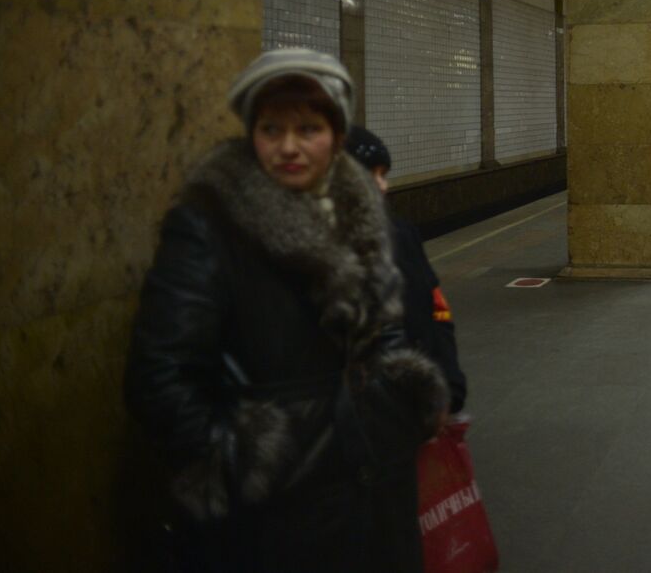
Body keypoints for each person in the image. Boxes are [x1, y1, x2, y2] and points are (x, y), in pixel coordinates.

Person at [125, 48, 449, 572]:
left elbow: (382, 330)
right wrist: (240, 464)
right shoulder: (211, 229)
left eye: (308, 128)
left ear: (337, 136)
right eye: (271, 130)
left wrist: (405, 403)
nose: (289, 147)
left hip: (375, 481)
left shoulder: (362, 217)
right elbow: (159, 374)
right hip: (277, 506)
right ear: (252, 136)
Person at [345, 125, 467, 414]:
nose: (382, 185)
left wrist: (449, 385)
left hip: (411, 410)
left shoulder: (401, 236)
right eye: (369, 175)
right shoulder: (315, 250)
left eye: (383, 174)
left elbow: (436, 311)